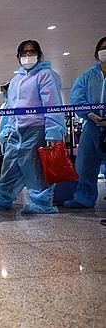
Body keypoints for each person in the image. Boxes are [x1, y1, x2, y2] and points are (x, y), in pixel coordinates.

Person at [0, 40, 66, 214]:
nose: (28, 56)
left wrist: (53, 131)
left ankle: (42, 203)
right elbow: (11, 106)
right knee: (10, 165)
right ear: (18, 57)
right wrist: (8, 128)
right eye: (24, 53)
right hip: (17, 131)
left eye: (32, 52)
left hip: (36, 129)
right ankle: (3, 199)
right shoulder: (16, 80)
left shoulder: (45, 75)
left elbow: (52, 104)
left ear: (39, 54)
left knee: (35, 166)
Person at [64, 36, 106, 209]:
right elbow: (77, 98)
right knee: (85, 164)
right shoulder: (87, 77)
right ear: (97, 53)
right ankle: (84, 198)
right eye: (102, 48)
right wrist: (90, 114)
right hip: (92, 126)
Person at [0, 82, 12, 152]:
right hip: (4, 136)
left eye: (3, 91)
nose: (2, 93)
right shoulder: (5, 104)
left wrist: (5, 134)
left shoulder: (12, 103)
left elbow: (10, 121)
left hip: (8, 136)